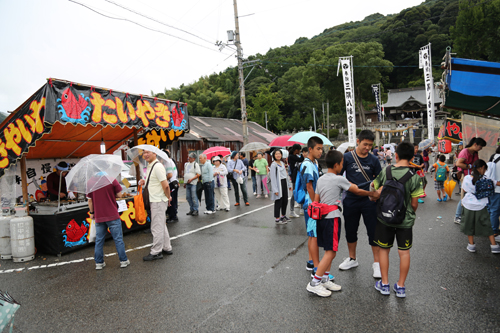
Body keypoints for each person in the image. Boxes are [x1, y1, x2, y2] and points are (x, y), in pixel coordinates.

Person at [306, 150, 373, 297]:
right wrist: (371, 193)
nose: (342, 166)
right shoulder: (338, 179)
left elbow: (316, 200)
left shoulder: (321, 179)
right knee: (331, 252)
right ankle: (314, 283)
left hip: (321, 218)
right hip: (332, 218)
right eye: (342, 163)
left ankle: (324, 279)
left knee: (327, 249)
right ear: (337, 165)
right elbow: (357, 191)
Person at [372, 142, 424, 298]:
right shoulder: (415, 177)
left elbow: (375, 190)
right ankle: (401, 287)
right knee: (404, 252)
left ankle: (385, 284)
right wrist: (409, 213)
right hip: (405, 220)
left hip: (385, 218)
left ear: (396, 155)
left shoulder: (386, 171)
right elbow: (415, 203)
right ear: (412, 157)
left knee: (384, 250)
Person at [339, 130, 383, 278]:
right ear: (358, 141)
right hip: (351, 199)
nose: (367, 148)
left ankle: (376, 263)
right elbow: (338, 176)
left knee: (373, 230)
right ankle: (352, 259)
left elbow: (381, 179)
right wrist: (349, 184)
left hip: (369, 200)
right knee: (351, 229)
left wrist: (378, 192)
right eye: (365, 144)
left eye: (370, 145)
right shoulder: (347, 157)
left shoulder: (374, 160)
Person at [88, 177, 129, 270]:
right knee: (118, 239)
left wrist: (92, 213)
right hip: (112, 215)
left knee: (99, 240)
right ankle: (123, 261)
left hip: (99, 216)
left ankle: (99, 263)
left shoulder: (91, 182)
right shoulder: (111, 179)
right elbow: (119, 195)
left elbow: (90, 200)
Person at [460, 159, 500, 254]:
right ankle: (494, 246)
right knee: (487, 225)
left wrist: (462, 201)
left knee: (469, 225)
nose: (485, 171)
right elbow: (497, 183)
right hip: (481, 206)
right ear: (482, 168)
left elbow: (463, 190)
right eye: (485, 170)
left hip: (468, 205)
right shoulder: (486, 180)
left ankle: (471, 245)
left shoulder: (466, 178)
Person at [139, 149, 173, 261]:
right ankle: (166, 247)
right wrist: (145, 182)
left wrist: (168, 197)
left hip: (157, 200)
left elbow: (166, 185)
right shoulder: (151, 165)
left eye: (148, 152)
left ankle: (156, 251)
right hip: (156, 199)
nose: (146, 154)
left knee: (156, 226)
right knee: (161, 224)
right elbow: (156, 182)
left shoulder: (157, 166)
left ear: (155, 153)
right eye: (144, 152)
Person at [300, 136, 323, 274]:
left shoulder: (313, 162)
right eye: (318, 148)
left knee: (311, 234)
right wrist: (316, 203)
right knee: (314, 235)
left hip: (310, 203)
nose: (321, 151)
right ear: (310, 149)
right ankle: (316, 267)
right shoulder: (308, 164)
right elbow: (309, 186)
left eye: (321, 148)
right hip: (311, 204)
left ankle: (310, 261)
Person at [454, 137, 487, 224]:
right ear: (475, 144)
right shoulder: (465, 152)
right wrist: (470, 166)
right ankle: (457, 216)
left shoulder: (474, 153)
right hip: (465, 177)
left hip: (472, 177)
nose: (481, 148)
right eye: (480, 146)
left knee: (469, 196)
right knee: (464, 196)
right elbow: (458, 163)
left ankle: (467, 216)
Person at [269, 149, 292, 225]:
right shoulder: (273, 165)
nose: (278, 155)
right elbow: (273, 178)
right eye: (276, 154)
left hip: (284, 182)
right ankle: (277, 218)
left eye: (279, 154)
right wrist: (275, 189)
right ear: (274, 156)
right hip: (278, 184)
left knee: (285, 200)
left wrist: (289, 185)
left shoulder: (282, 163)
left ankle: (283, 215)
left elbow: (286, 175)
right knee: (279, 201)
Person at [488, 146, 500, 241]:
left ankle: (490, 230)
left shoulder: (493, 157)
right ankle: (494, 232)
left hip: (492, 188)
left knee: (492, 210)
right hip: (498, 189)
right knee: (495, 211)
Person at [288, 144, 304, 218]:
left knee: (301, 191)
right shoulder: (291, 156)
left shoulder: (297, 156)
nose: (300, 151)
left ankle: (302, 209)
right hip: (295, 177)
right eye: (299, 150)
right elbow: (301, 160)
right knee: (295, 193)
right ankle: (291, 211)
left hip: (299, 176)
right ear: (296, 150)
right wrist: (303, 155)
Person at [164, 149, 179, 223]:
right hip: (173, 182)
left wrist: (164, 180)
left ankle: (173, 216)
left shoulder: (168, 162)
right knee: (172, 200)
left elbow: (170, 175)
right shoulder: (170, 161)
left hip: (171, 183)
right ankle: (172, 215)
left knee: (171, 201)